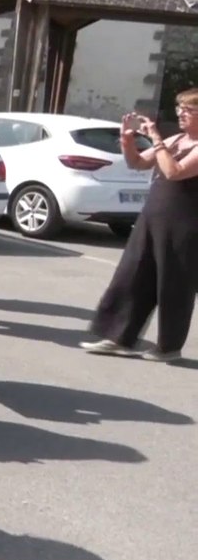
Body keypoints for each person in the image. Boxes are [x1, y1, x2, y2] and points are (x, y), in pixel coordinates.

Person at [81, 92, 198, 361]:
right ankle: (118, 338)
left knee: (173, 286)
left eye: (188, 110)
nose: (180, 113)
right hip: (151, 220)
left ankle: (168, 347)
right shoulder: (176, 139)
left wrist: (157, 139)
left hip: (184, 227)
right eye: (179, 108)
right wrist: (127, 140)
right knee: (132, 275)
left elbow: (174, 171)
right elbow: (138, 162)